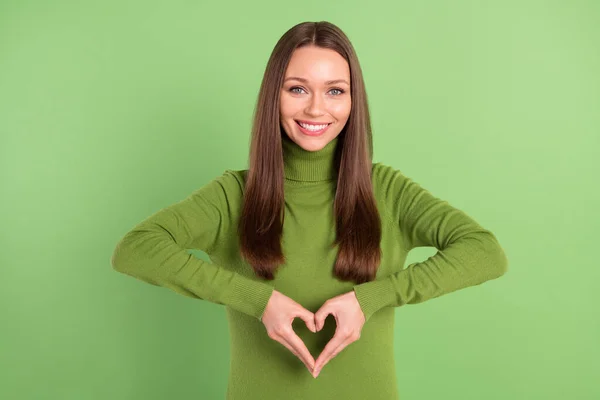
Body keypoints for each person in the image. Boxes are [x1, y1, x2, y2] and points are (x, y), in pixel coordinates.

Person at [111, 21, 508, 400]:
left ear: (354, 101)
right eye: (297, 89)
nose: (317, 109)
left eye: (335, 91)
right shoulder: (234, 194)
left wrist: (372, 299)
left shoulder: (385, 189)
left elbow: (484, 251)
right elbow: (136, 248)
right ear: (274, 96)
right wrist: (257, 300)